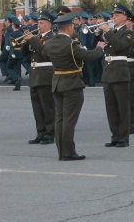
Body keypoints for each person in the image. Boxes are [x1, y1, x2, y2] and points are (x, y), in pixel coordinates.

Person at [42, 12, 106, 161]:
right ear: (70, 28)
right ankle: (69, 152)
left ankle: (61, 151)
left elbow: (45, 55)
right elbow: (89, 56)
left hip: (57, 82)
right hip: (72, 83)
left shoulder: (49, 43)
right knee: (69, 121)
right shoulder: (71, 44)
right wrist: (100, 48)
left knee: (60, 119)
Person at [101, 3, 134, 147]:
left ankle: (123, 137)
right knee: (111, 108)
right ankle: (115, 135)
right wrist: (97, 35)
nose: (113, 17)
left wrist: (108, 32)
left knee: (122, 107)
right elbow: (96, 46)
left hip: (120, 72)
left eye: (116, 15)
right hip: (108, 72)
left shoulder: (128, 33)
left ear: (124, 18)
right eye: (112, 15)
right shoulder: (111, 32)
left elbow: (120, 46)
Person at [21, 11, 57, 145]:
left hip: (46, 75)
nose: (39, 25)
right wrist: (25, 42)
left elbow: (45, 52)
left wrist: (32, 40)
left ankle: (50, 133)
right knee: (37, 106)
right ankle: (40, 132)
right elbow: (24, 54)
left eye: (41, 23)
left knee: (48, 106)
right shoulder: (36, 37)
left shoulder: (53, 37)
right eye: (38, 23)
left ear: (49, 24)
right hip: (35, 74)